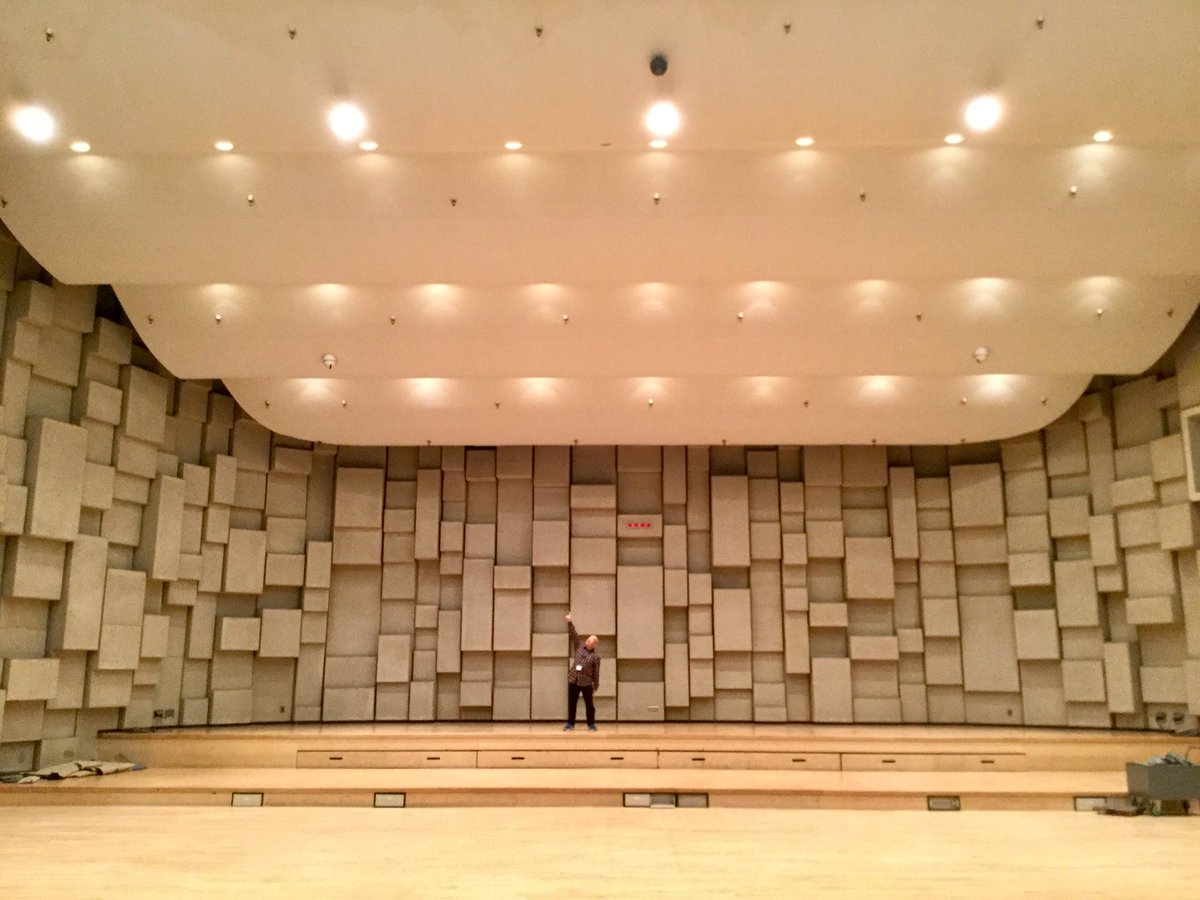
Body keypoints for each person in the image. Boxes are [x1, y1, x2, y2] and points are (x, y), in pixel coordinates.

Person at [563, 613, 600, 731]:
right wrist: (569, 622)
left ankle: (591, 724)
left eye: (590, 640)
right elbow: (574, 634)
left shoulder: (595, 657)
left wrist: (596, 685)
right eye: (588, 639)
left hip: (586, 683)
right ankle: (570, 723)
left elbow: (596, 672)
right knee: (572, 703)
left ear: (594, 644)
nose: (587, 641)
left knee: (589, 704)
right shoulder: (579, 647)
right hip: (574, 679)